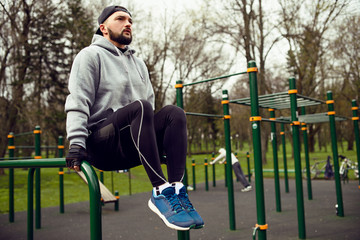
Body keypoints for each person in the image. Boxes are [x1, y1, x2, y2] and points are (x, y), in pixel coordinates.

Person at [64, 5, 204, 231]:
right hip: (102, 144)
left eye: (130, 20)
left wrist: (160, 143)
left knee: (173, 113)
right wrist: (77, 142)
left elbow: (149, 111)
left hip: (132, 146)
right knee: (140, 107)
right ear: (104, 28)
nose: (128, 23)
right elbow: (78, 100)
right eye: (120, 19)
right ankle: (159, 191)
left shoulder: (139, 64)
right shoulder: (90, 56)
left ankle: (176, 191)